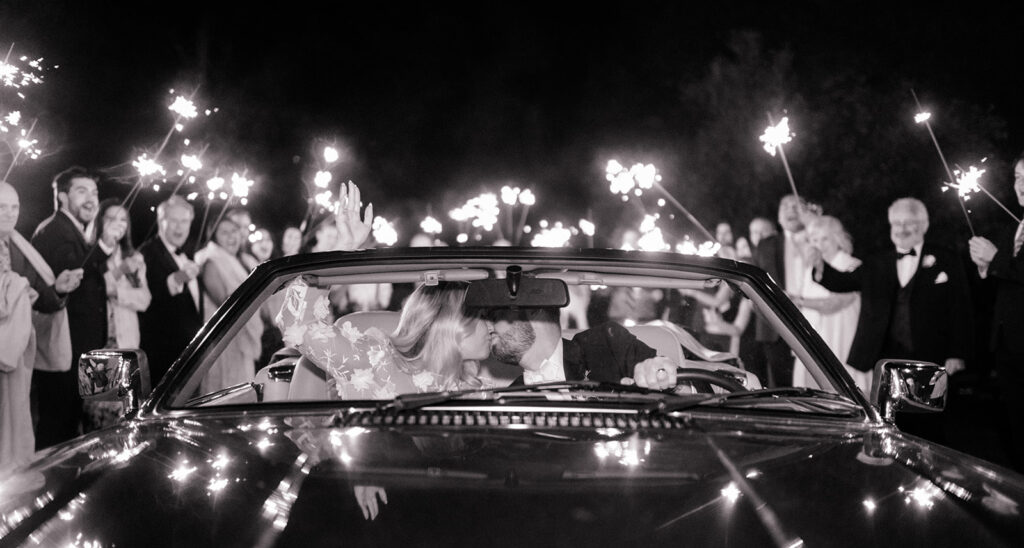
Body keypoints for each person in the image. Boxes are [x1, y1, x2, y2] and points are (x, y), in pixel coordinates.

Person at [813, 197, 972, 443]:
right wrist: (819, 264)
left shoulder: (946, 259)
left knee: (932, 426)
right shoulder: (878, 262)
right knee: (891, 423)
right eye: (896, 223)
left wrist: (957, 352)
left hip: (931, 357)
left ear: (923, 225)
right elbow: (842, 282)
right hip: (887, 356)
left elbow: (960, 307)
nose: (901, 228)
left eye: (908, 222)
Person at [0, 181, 79, 470]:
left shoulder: (19, 247)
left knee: (14, 421)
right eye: (1, 207)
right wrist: (18, 287)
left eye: (14, 207)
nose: (9, 214)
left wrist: (57, 288)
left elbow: (42, 295)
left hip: (16, 353)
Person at [31, 166, 109, 448]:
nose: (91, 199)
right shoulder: (56, 231)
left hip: (76, 351)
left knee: (70, 426)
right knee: (57, 429)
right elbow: (73, 276)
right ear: (62, 196)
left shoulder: (74, 232)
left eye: (94, 192)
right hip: (63, 352)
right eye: (81, 191)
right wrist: (103, 247)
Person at [967, 150, 1024, 473]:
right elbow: (1004, 286)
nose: (1022, 186)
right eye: (1018, 178)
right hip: (1006, 345)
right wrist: (985, 268)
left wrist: (997, 259)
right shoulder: (1011, 229)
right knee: (1014, 428)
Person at [485, 305, 679, 389]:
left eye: (494, 316)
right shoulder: (512, 396)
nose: (487, 326)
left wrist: (664, 379)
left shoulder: (606, 345)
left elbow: (692, 391)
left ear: (536, 311)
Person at [82, 199, 153, 432]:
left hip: (126, 341)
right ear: (100, 221)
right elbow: (94, 289)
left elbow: (144, 299)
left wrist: (116, 290)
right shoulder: (91, 254)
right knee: (98, 414)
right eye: (112, 218)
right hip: (99, 346)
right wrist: (116, 275)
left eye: (123, 219)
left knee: (125, 415)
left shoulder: (133, 257)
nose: (118, 224)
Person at [789, 215, 865, 393]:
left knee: (843, 389)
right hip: (813, 336)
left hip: (841, 336)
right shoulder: (810, 269)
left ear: (838, 239)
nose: (820, 244)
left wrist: (798, 300)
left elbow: (835, 303)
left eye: (825, 239)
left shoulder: (852, 265)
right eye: (815, 239)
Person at [751, 194, 818, 387]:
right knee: (784, 390)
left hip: (816, 324)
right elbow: (755, 290)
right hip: (776, 331)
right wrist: (774, 319)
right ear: (779, 217)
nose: (790, 210)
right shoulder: (766, 245)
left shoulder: (819, 239)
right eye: (785, 206)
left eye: (796, 206)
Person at [138, 195, 203, 386]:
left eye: (184, 221)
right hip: (162, 356)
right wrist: (181, 277)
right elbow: (150, 296)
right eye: (173, 221)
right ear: (160, 221)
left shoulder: (187, 254)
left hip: (187, 355)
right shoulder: (147, 253)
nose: (179, 227)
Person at [195, 217, 264, 393]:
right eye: (224, 233)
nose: (231, 237)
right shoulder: (211, 261)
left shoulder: (243, 261)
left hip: (243, 336)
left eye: (233, 231)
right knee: (225, 393)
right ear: (214, 237)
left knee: (243, 390)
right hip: (224, 339)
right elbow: (225, 304)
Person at [224, 206, 259, 271]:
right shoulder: (215, 257)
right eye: (237, 226)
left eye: (246, 227)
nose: (242, 232)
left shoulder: (250, 260)